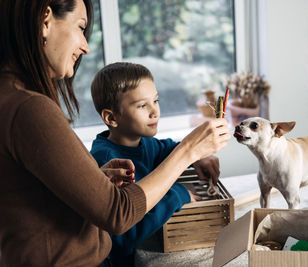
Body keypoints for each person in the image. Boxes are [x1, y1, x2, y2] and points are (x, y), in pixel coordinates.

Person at [0, 1, 230, 266]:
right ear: (45, 20)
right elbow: (118, 214)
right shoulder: (29, 108)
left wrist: (94, 181)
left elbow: (34, 197)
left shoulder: (10, 99)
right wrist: (189, 151)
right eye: (80, 27)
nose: (85, 46)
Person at [90, 62, 221, 266]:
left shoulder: (143, 142)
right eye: (143, 105)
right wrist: (180, 193)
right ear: (111, 117)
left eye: (156, 100)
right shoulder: (108, 160)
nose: (155, 112)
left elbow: (170, 150)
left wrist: (197, 158)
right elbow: (126, 233)